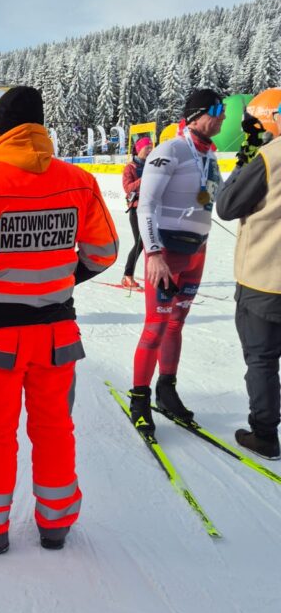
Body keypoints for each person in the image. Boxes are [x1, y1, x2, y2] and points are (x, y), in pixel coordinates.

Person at [0, 86, 118, 554]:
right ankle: (56, 523)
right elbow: (104, 252)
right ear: (41, 128)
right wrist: (60, 279)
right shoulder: (79, 181)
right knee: (55, 428)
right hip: (57, 332)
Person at [127, 88, 225, 437]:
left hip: (195, 254)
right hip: (166, 254)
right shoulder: (169, 149)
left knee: (176, 326)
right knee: (155, 328)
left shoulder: (209, 157)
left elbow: (217, 199)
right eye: (217, 111)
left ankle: (166, 391)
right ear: (198, 114)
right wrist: (152, 254)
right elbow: (146, 205)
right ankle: (139, 399)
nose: (223, 118)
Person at [216, 116, 281, 459]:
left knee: (262, 360)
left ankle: (265, 434)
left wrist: (247, 156)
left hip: (265, 278)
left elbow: (226, 205)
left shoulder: (271, 155)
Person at [120, 137, 151, 288]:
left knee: (153, 243)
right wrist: (144, 179)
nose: (150, 150)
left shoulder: (152, 165)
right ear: (139, 149)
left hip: (151, 208)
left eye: (151, 147)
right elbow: (128, 188)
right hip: (136, 209)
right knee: (140, 242)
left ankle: (154, 276)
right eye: (147, 148)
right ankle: (127, 276)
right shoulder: (130, 168)